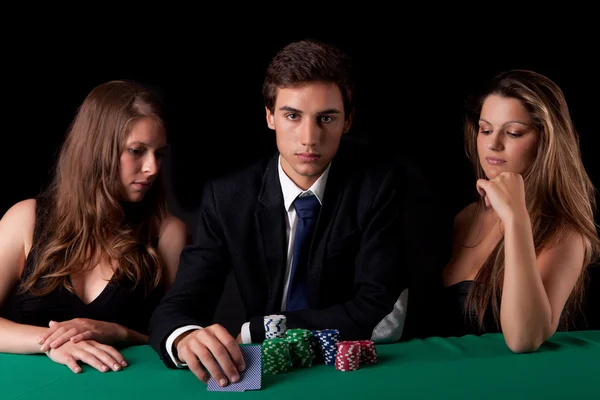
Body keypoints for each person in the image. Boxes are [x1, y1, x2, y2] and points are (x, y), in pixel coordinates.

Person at [148, 38, 433, 386]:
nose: (309, 138)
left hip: (352, 376)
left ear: (348, 121)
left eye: (326, 118)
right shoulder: (228, 197)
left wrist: (259, 329)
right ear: (270, 116)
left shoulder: (379, 187)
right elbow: (179, 305)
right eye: (293, 116)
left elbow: (382, 313)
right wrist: (184, 337)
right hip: (266, 376)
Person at [0, 80, 188, 373]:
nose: (152, 167)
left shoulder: (166, 234)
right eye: (137, 151)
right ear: (97, 151)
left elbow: (185, 342)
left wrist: (121, 333)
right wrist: (53, 342)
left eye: (158, 153)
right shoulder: (26, 219)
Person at [438, 69, 600, 352]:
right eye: (486, 129)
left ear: (545, 141)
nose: (493, 143)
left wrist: (516, 219)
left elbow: (525, 339)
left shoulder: (565, 235)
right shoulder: (465, 218)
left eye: (513, 132)